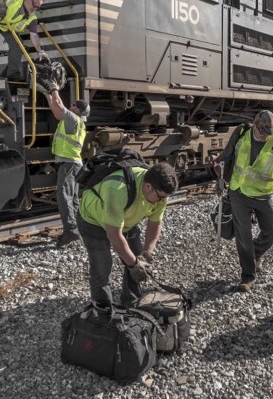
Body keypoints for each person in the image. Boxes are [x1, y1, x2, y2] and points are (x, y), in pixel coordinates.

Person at [215, 110, 273, 293]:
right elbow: (225, 157)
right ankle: (247, 277)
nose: (265, 137)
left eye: (269, 132)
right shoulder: (241, 134)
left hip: (263, 195)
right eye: (263, 132)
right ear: (255, 125)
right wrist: (220, 178)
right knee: (243, 235)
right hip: (239, 192)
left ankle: (256, 253)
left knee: (272, 231)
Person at [77, 162, 179, 307]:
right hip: (93, 221)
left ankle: (131, 303)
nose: (163, 201)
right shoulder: (117, 189)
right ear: (148, 186)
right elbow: (114, 235)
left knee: (138, 259)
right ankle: (102, 311)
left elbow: (155, 223)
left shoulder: (161, 191)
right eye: (161, 197)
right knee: (102, 268)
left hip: (125, 219)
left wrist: (147, 253)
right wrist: (133, 265)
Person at [35, 62, 89, 247]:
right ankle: (78, 229)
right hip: (72, 163)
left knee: (64, 196)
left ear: (78, 110)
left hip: (69, 163)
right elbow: (56, 110)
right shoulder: (73, 120)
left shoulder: (73, 119)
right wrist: (46, 94)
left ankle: (70, 232)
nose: (71, 105)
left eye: (74, 104)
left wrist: (54, 87)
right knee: (72, 197)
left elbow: (59, 105)